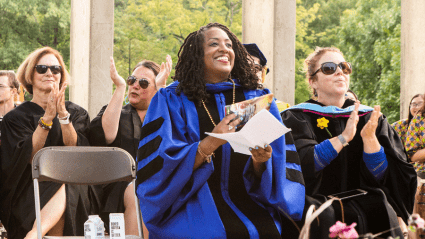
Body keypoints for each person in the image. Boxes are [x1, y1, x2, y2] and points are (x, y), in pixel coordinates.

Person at [135, 23, 305, 238]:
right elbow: (159, 167)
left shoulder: (256, 98)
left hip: (249, 199)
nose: (224, 49)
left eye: (229, 44)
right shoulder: (172, 100)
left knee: (265, 232)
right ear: (197, 54)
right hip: (191, 203)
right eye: (213, 44)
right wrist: (212, 141)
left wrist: (261, 161)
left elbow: (279, 167)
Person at [281, 47, 416, 238]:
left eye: (344, 67)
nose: (339, 72)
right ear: (313, 81)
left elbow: (387, 178)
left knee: (379, 205)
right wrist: (342, 138)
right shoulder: (296, 118)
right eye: (329, 68)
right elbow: (300, 166)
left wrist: (370, 140)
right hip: (318, 209)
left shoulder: (369, 116)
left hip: (368, 206)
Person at [0, 47, 92, 238]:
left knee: (66, 182)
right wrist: (47, 119)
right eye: (41, 68)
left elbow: (75, 150)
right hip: (26, 191)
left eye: (55, 69)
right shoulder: (15, 118)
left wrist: (63, 116)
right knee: (61, 183)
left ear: (61, 75)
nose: (49, 73)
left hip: (75, 187)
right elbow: (31, 157)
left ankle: (35, 234)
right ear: (30, 75)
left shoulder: (76, 113)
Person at [89, 55, 171, 238]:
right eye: (132, 80)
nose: (135, 85)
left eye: (143, 83)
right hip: (117, 189)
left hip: (160, 186)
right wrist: (119, 87)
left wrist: (161, 91)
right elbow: (105, 136)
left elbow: (169, 139)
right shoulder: (118, 111)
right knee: (139, 189)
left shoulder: (163, 114)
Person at [243, 43, 290, 112]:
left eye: (256, 68)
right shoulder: (225, 99)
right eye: (246, 68)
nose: (251, 73)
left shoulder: (279, 107)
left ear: (262, 73)